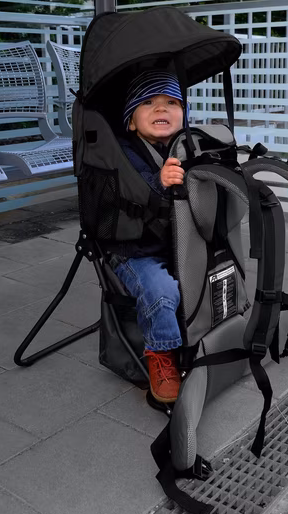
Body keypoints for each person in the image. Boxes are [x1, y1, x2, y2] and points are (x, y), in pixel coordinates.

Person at [109, 70, 186, 403]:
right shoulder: (124, 154)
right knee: (161, 291)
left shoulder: (186, 146)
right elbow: (130, 195)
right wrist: (159, 183)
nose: (161, 109)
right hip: (134, 248)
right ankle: (161, 352)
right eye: (148, 103)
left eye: (171, 102)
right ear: (131, 121)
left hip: (176, 241)